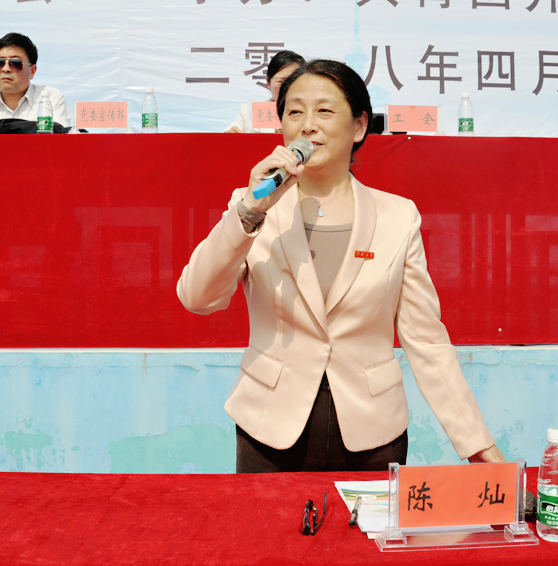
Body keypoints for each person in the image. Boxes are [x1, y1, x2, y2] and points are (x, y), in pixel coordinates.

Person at [178, 59, 505, 473]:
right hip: (268, 429)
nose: (307, 126)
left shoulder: (397, 217)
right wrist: (249, 211)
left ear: (359, 126)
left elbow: (426, 340)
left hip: (373, 433)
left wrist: (477, 446)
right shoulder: (254, 207)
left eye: (324, 111)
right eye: (294, 112)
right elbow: (197, 298)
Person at [224, 50, 305, 133]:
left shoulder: (311, 112)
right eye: (281, 81)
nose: (287, 87)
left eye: (293, 81)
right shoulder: (249, 112)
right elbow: (226, 136)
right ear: (269, 83)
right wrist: (231, 136)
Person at [0, 33, 70, 128]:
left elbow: (59, 134)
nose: (5, 69)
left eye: (15, 63)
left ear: (32, 71)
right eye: (1, 63)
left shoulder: (50, 97)